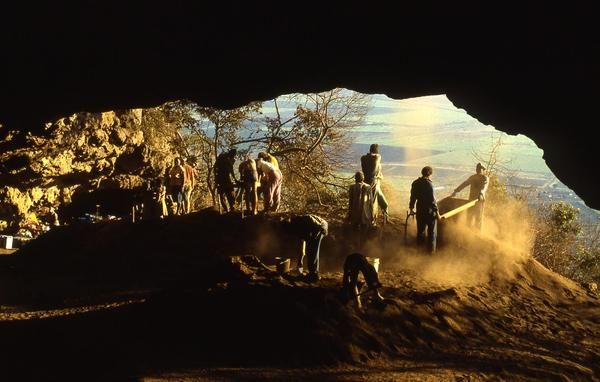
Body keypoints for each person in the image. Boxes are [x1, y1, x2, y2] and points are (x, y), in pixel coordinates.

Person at [284, 214, 328, 283]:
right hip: (313, 229)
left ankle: (314, 275)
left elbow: (315, 224)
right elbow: (302, 242)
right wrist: (300, 261)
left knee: (312, 250)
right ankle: (312, 273)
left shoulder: (301, 221)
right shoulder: (295, 228)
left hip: (320, 226)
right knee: (310, 250)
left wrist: (314, 237)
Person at [451, 162, 489, 230]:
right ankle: (468, 232)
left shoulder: (485, 178)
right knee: (469, 217)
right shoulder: (473, 177)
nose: (478, 170)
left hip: (479, 201)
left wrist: (481, 193)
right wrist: (456, 191)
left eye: (479, 168)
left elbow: (484, 187)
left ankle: (478, 234)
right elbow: (464, 184)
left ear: (483, 170)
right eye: (477, 168)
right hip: (471, 200)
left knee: (478, 218)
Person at [409, 166, 438, 253]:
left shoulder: (415, 183)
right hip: (429, 211)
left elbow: (412, 197)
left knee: (420, 231)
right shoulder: (429, 184)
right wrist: (437, 212)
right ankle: (431, 253)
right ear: (430, 174)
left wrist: (411, 208)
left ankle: (419, 252)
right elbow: (432, 200)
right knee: (432, 232)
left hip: (420, 209)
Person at [360, 143, 389, 223]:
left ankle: (374, 218)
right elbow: (377, 157)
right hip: (374, 182)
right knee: (375, 202)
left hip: (365, 180)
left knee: (368, 201)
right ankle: (376, 220)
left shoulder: (363, 158)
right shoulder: (377, 157)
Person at [347, 171, 373, 250]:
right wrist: (371, 215)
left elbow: (350, 202)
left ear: (355, 178)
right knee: (363, 233)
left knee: (355, 231)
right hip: (365, 214)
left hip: (355, 214)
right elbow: (370, 203)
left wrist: (349, 214)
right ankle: (362, 248)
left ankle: (355, 247)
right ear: (363, 178)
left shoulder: (352, 187)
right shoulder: (368, 187)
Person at [215, 148, 238, 213]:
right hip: (220, 178)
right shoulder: (222, 156)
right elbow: (216, 167)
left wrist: (235, 179)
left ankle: (232, 208)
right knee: (222, 195)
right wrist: (216, 179)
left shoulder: (232, 160)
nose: (233, 156)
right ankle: (226, 209)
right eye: (232, 155)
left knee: (231, 194)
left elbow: (231, 170)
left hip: (227, 178)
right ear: (230, 153)